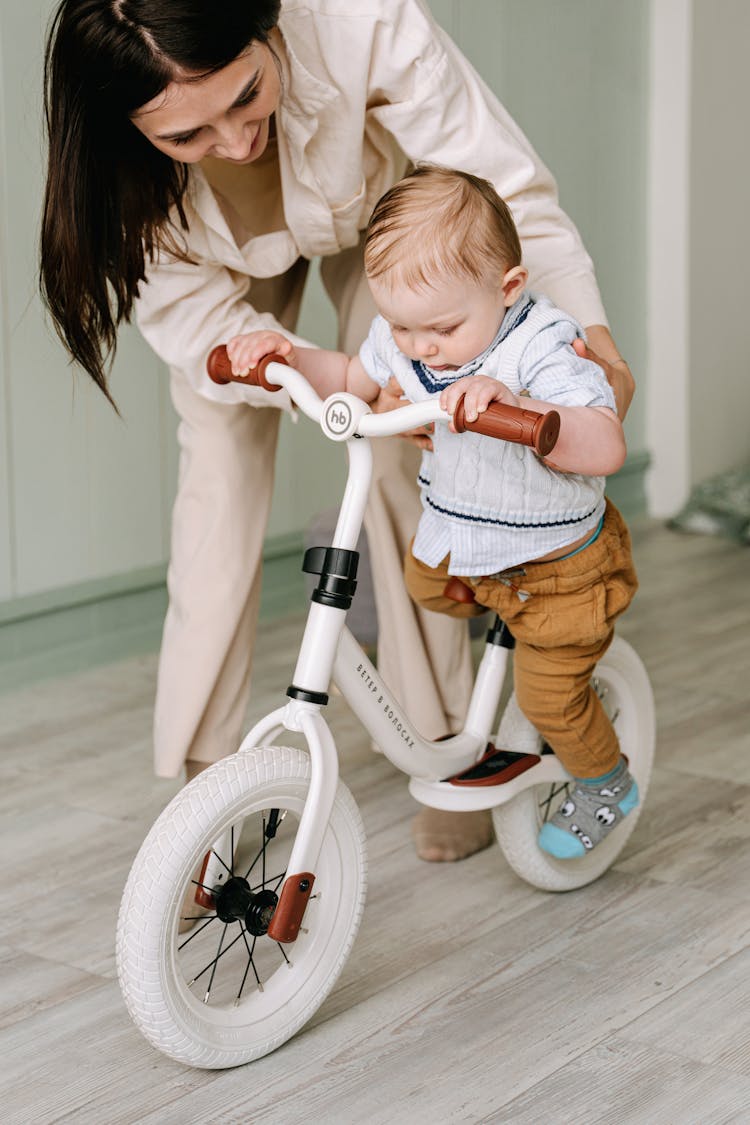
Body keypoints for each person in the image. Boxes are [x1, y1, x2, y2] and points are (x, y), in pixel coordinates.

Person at [40, 0, 634, 863]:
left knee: (407, 440)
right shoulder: (121, 167)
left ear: (265, 22)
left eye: (247, 95)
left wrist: (591, 341)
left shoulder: (360, 21)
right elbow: (187, 312)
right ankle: (207, 769)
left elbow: (501, 193)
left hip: (387, 234)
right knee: (219, 476)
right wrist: (281, 366)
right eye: (187, 137)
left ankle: (442, 734)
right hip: (218, 286)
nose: (238, 143)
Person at [227, 166, 640, 858]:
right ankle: (494, 620)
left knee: (549, 702)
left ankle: (606, 781)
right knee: (420, 587)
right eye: (401, 326)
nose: (419, 347)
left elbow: (605, 445)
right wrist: (284, 356)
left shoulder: (543, 344)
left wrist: (530, 411)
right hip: (464, 545)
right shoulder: (408, 336)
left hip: (560, 567)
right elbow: (352, 379)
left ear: (507, 289)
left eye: (442, 328)